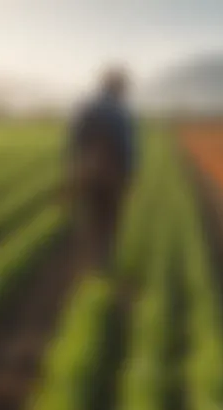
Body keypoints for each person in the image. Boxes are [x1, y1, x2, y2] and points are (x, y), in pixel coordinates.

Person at [66, 68, 135, 272]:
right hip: (112, 173)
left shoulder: (86, 108)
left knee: (91, 215)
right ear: (117, 87)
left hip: (87, 170)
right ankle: (103, 261)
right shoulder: (120, 112)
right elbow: (128, 147)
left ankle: (90, 259)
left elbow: (73, 142)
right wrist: (129, 176)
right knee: (109, 218)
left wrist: (74, 170)